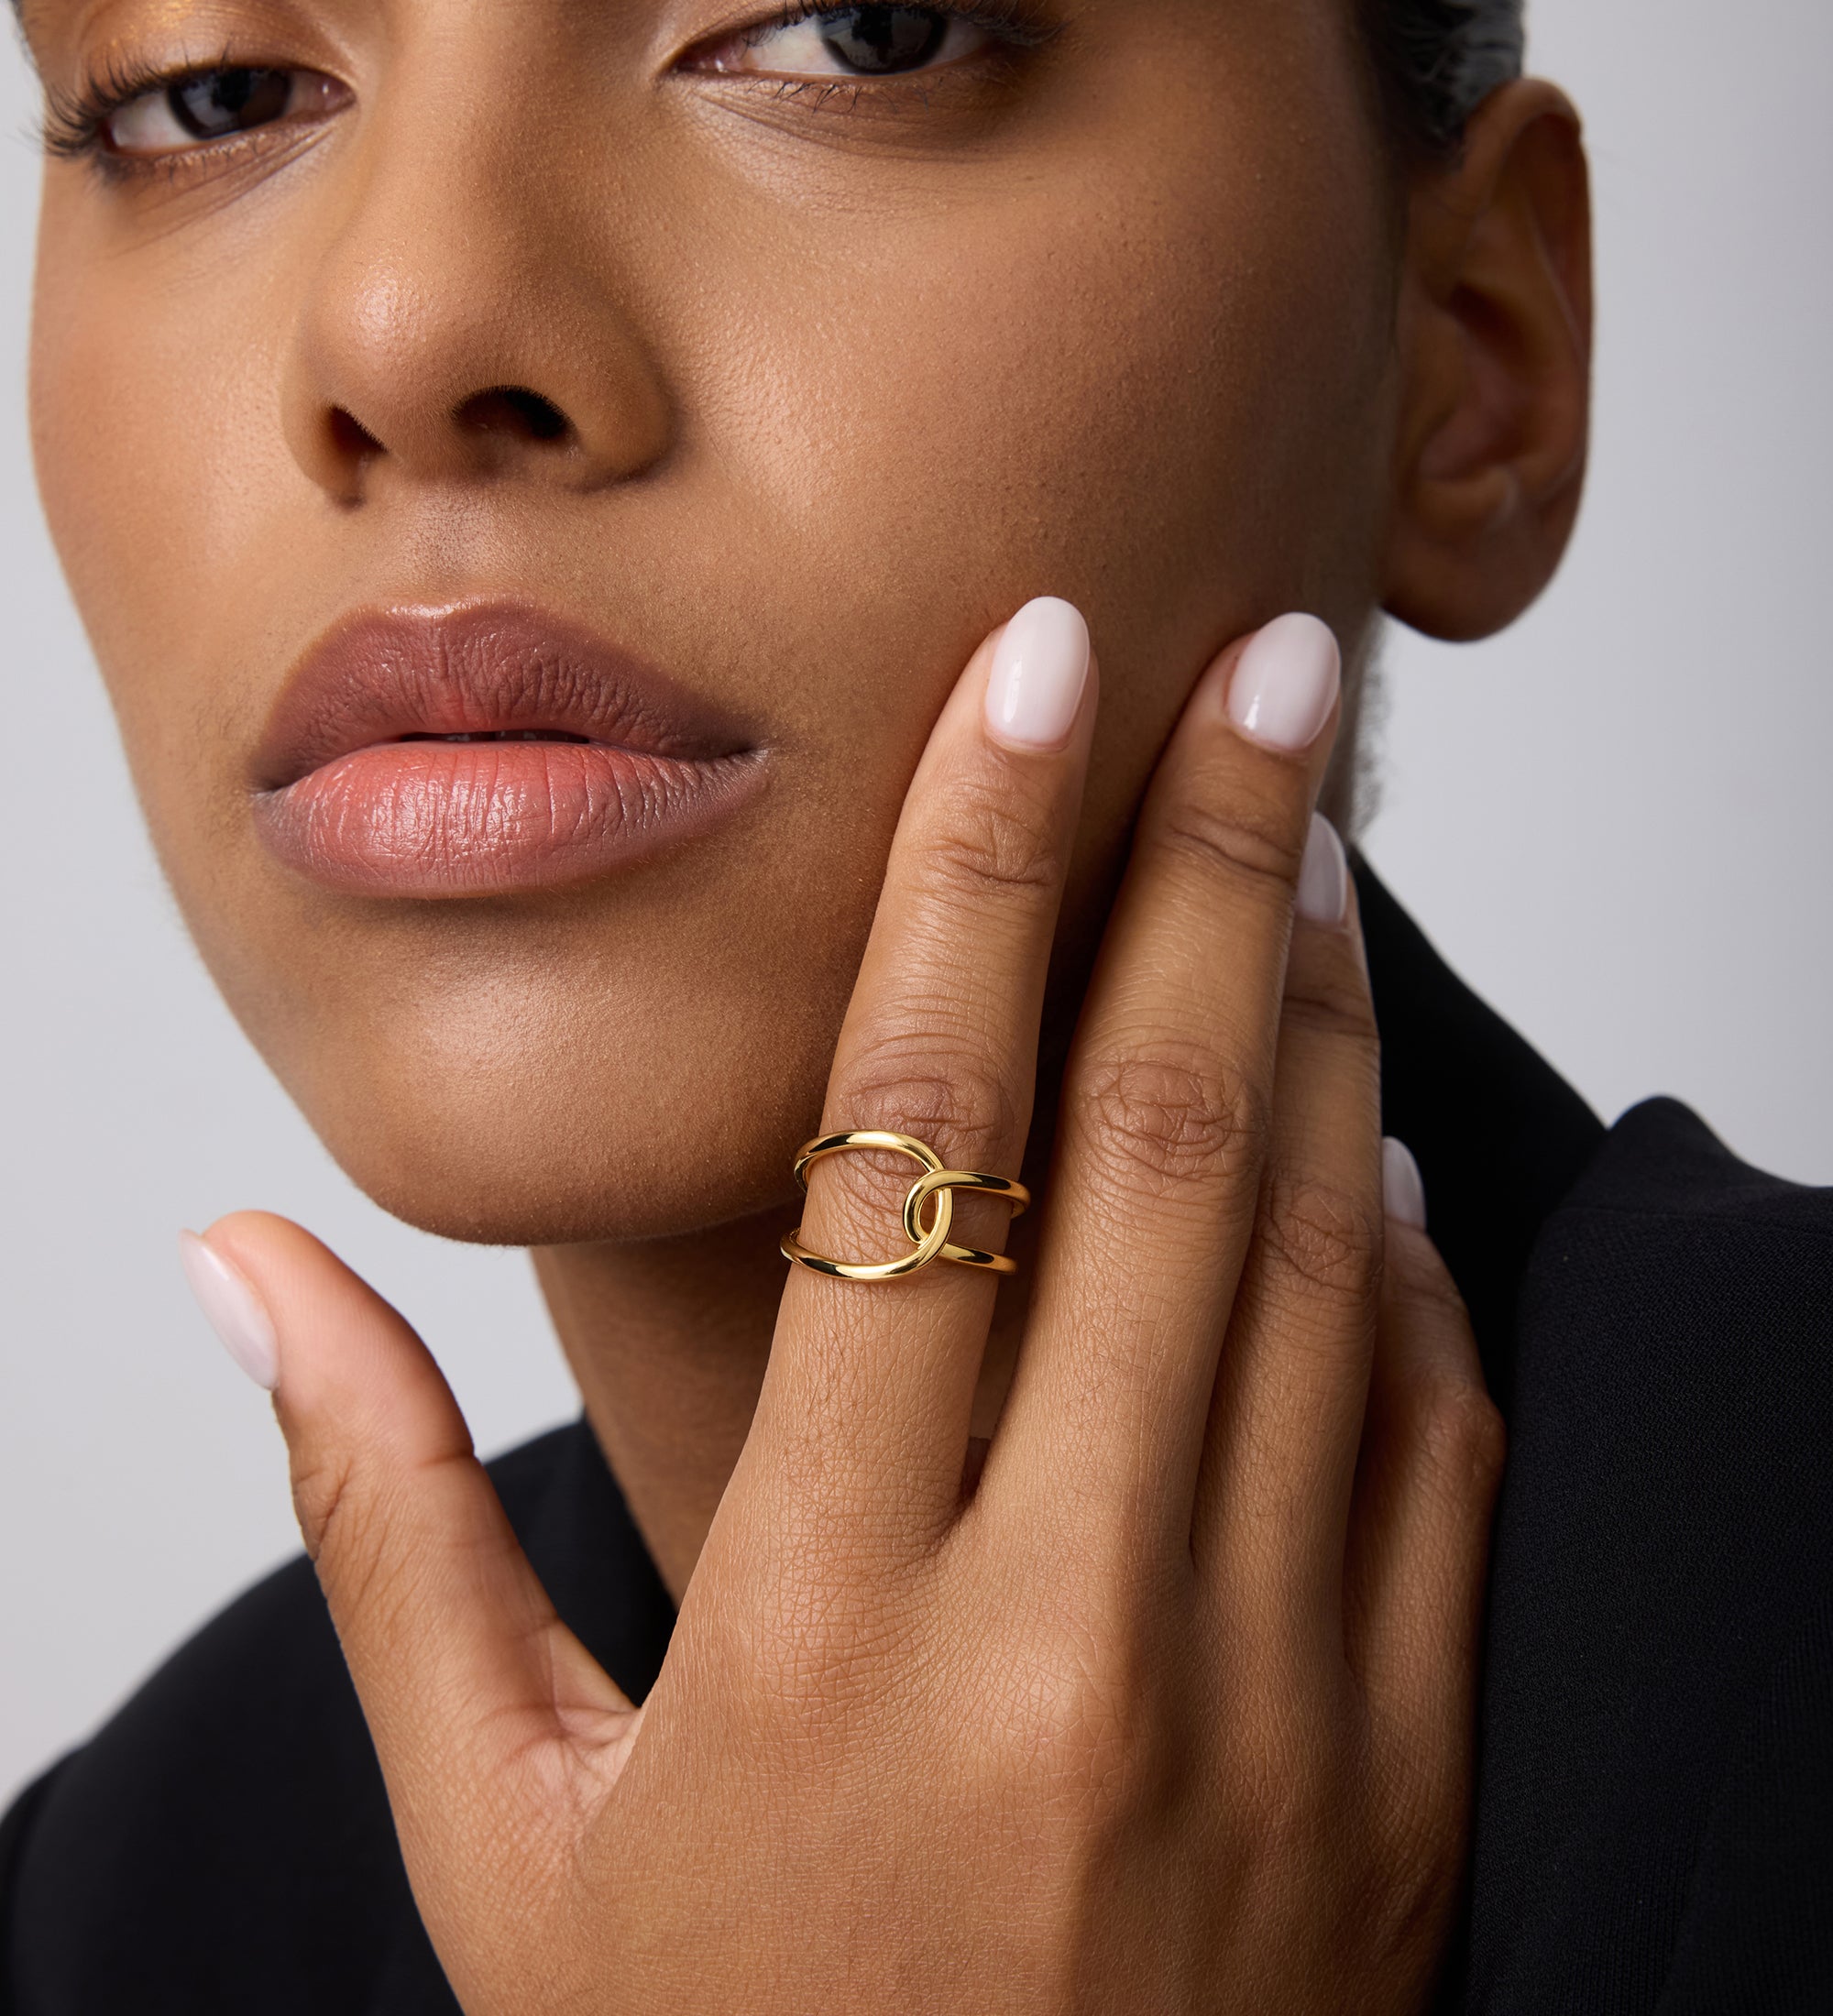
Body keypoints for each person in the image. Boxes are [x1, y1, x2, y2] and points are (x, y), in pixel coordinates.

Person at [2, 1, 1827, 2010]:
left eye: (859, 32)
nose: (402, 327)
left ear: (1473, 354)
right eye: (208, 94)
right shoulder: (119, 1914)